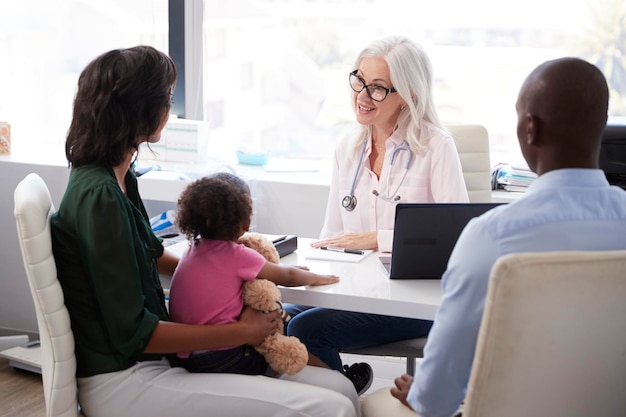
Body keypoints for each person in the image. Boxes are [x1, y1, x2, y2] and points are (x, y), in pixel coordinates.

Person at [50, 45, 360, 417]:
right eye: (165, 98)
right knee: (331, 409)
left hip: (154, 358)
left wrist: (218, 267)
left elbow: (151, 253)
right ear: (138, 109)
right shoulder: (98, 197)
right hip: (124, 378)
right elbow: (135, 333)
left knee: (342, 389)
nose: (169, 108)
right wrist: (243, 332)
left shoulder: (119, 176)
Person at [381, 57, 626, 416]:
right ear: (602, 126)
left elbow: (436, 400)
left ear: (530, 129)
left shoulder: (490, 238)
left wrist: (420, 394)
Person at [285, 35, 469, 395]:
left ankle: (343, 401)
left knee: (306, 331)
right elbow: (332, 234)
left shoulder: (435, 147)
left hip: (413, 299)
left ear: (410, 95)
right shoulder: (348, 148)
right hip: (353, 291)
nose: (362, 96)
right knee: (275, 317)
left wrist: (378, 238)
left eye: (379, 88)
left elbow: (456, 240)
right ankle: (346, 385)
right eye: (360, 82)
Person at [169, 172, 339, 375]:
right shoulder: (238, 255)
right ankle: (338, 377)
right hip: (223, 356)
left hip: (186, 356)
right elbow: (287, 277)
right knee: (275, 344)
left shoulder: (191, 250)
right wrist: (316, 277)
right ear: (245, 223)